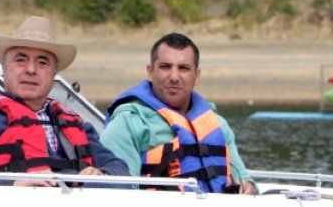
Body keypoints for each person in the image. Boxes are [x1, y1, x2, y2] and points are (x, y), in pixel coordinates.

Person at [0, 16, 128, 183]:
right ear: (4, 69)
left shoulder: (76, 124)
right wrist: (11, 184)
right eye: (21, 60)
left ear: (53, 74)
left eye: (42, 62)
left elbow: (118, 167)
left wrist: (101, 173)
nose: (31, 70)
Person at [100, 32, 257, 194]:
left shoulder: (218, 125)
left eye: (184, 68)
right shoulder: (127, 123)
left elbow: (247, 182)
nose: (174, 77)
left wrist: (247, 188)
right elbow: (117, 194)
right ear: (150, 71)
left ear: (197, 75)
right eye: (165, 67)